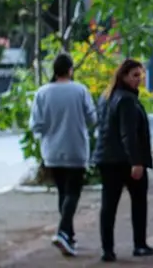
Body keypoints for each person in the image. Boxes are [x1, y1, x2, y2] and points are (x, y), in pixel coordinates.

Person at [29, 53, 97, 257]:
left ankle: (69, 236)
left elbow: (36, 125)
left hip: (52, 151)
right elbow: (92, 118)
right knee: (73, 193)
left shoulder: (42, 93)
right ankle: (62, 232)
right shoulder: (80, 90)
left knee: (62, 192)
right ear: (70, 69)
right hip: (76, 149)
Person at [92, 59, 153, 262]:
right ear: (124, 76)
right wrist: (136, 162)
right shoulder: (126, 100)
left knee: (108, 205)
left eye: (141, 75)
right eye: (135, 75)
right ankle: (139, 244)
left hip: (106, 158)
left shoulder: (107, 97)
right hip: (124, 160)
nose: (139, 80)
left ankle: (107, 249)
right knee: (138, 202)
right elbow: (127, 134)